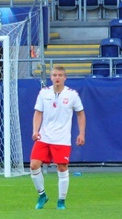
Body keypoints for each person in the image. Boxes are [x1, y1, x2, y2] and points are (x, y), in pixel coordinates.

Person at [29, 65, 86, 210]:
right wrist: (35, 130)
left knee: (62, 168)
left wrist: (81, 133)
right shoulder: (44, 93)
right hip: (44, 136)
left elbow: (80, 113)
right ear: (51, 77)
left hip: (62, 139)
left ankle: (61, 201)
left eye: (60, 75)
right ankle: (42, 195)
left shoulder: (72, 94)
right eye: (54, 75)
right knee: (34, 165)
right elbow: (38, 112)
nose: (57, 78)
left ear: (65, 77)